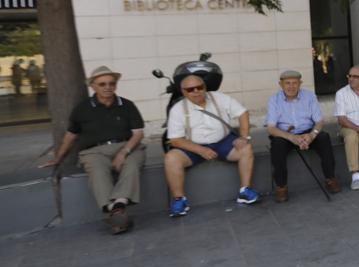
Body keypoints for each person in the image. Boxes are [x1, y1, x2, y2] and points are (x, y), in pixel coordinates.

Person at [40, 65, 145, 234]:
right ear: (93, 86)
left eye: (111, 83)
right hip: (94, 151)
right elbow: (71, 135)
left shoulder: (127, 105)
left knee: (132, 164)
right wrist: (58, 157)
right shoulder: (82, 109)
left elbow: (138, 134)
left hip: (126, 146)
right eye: (102, 84)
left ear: (116, 85)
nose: (108, 87)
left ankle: (116, 208)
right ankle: (117, 210)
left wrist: (124, 152)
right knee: (97, 169)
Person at [164, 75, 258, 216]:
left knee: (246, 149)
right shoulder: (177, 109)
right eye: (190, 89)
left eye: (199, 87)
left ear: (205, 87)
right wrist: (200, 149)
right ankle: (179, 200)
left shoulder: (219, 98)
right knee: (171, 158)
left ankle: (245, 191)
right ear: (183, 92)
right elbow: (175, 140)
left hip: (223, 141)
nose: (196, 91)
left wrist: (244, 137)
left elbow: (242, 113)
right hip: (193, 146)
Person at [266, 70, 339, 201]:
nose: (291, 86)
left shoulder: (309, 96)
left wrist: (311, 135)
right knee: (277, 145)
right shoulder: (274, 99)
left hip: (307, 132)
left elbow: (319, 121)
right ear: (280, 84)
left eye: (295, 83)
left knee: (324, 138)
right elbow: (271, 128)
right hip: (285, 135)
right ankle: (281, 187)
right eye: (287, 83)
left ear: (300, 84)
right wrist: (292, 138)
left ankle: (330, 178)